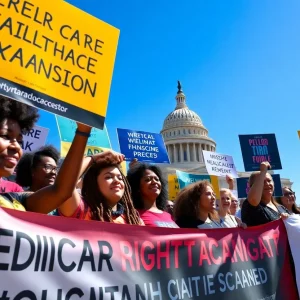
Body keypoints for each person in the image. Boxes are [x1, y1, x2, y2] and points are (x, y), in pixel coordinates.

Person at [0, 96, 91, 213]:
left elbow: (60, 192)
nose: (16, 146)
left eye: (20, 141)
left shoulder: (15, 200)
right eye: (5, 136)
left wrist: (83, 131)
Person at [58, 152, 143, 225]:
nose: (117, 181)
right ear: (94, 184)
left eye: (120, 178)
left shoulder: (134, 219)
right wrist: (93, 158)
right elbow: (64, 183)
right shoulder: (82, 210)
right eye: (108, 177)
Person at [127, 163, 178, 228]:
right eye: (148, 179)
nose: (154, 182)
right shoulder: (132, 215)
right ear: (137, 187)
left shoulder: (169, 215)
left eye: (157, 179)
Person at [241, 162, 289, 227]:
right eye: (262, 181)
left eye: (269, 181)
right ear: (252, 186)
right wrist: (263, 171)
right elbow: (254, 199)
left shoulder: (281, 208)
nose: (267, 184)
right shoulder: (250, 205)